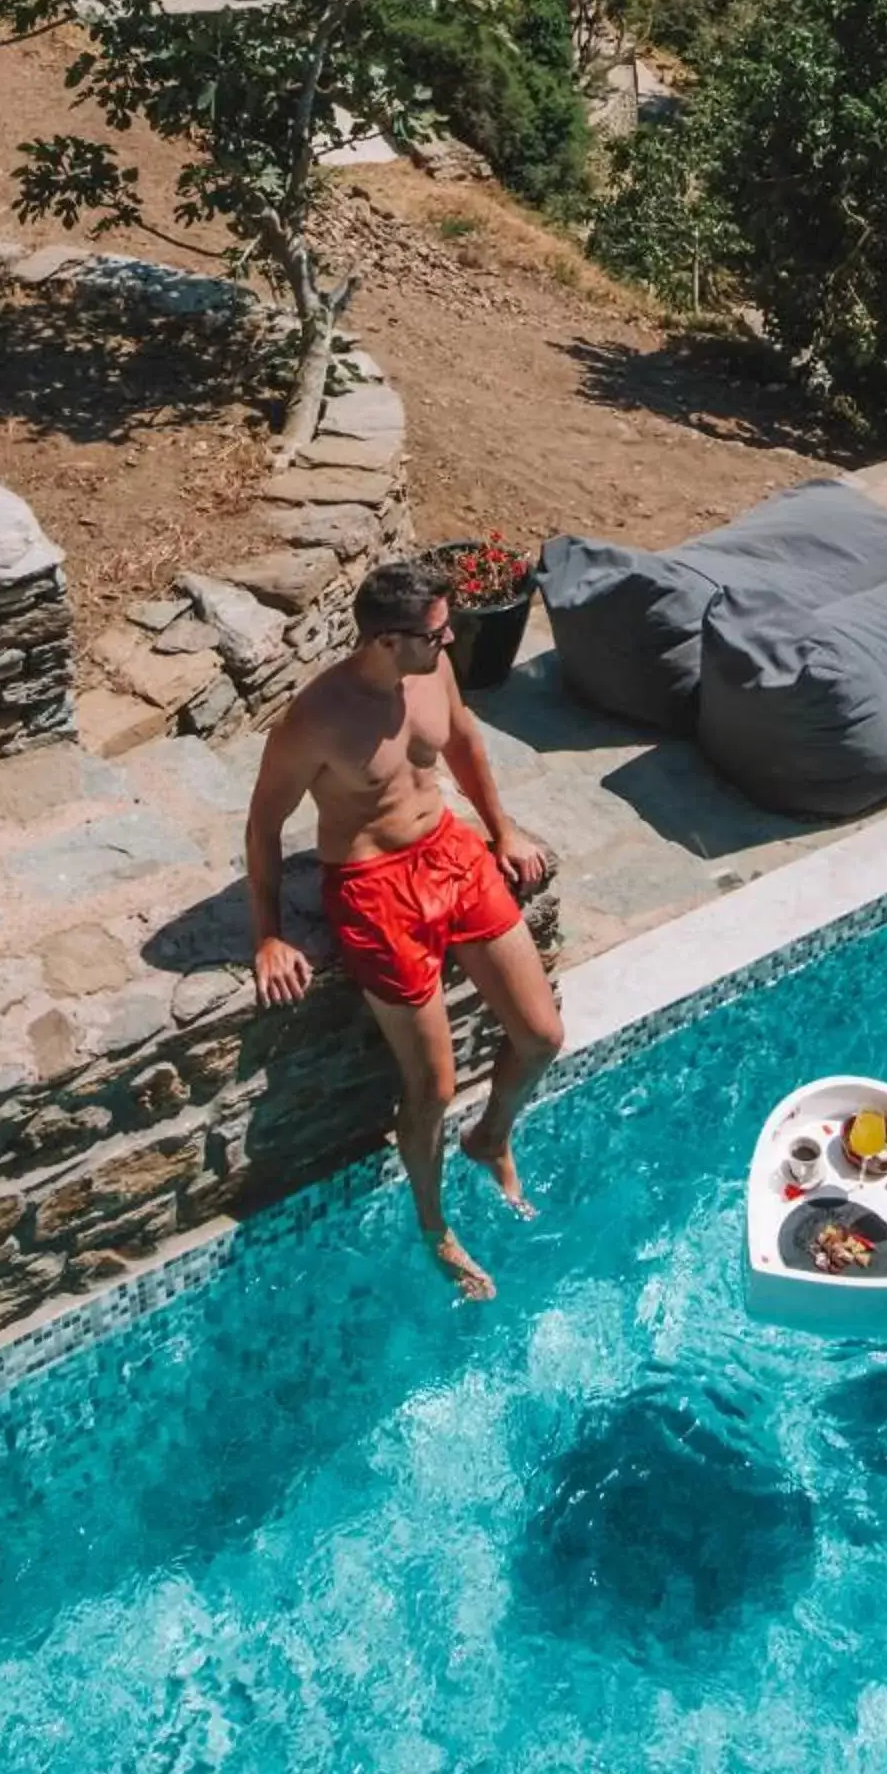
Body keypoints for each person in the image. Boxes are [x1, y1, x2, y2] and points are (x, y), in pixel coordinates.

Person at [246, 555, 563, 1302]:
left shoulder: (430, 674)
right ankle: (434, 1224)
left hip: (450, 853)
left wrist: (503, 830)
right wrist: (268, 934)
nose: (448, 644)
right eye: (435, 634)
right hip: (372, 887)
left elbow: (463, 743)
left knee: (543, 1037)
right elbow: (263, 823)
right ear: (388, 640)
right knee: (431, 1086)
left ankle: (493, 1138)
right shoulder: (317, 717)